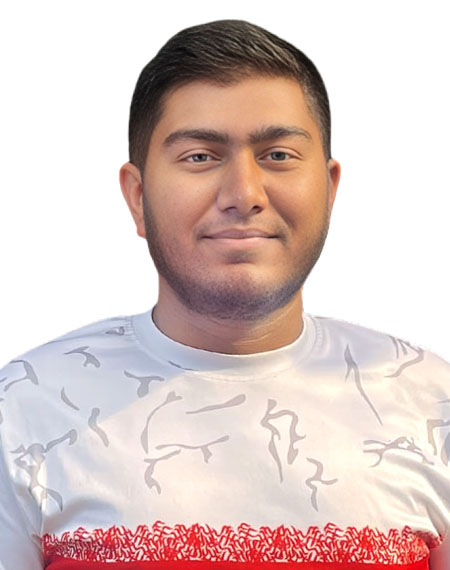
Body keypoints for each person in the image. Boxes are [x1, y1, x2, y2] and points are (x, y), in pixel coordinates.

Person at [0, 19, 448, 570]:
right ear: (138, 197)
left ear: (329, 189)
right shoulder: (23, 411)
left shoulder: (432, 405)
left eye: (278, 155)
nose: (244, 194)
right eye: (200, 156)